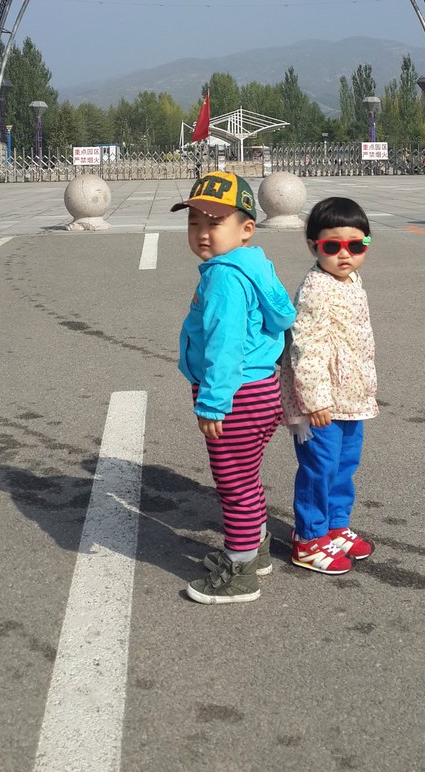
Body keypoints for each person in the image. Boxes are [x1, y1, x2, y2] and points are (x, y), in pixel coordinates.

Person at [172, 170, 296, 605]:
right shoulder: (254, 264)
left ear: (245, 229)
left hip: (235, 395)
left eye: (214, 222)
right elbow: (280, 323)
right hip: (261, 391)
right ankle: (255, 548)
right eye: (194, 223)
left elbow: (224, 347)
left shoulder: (224, 278)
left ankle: (241, 572)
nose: (202, 233)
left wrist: (212, 403)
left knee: (233, 485)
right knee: (246, 477)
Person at [280, 196, 378, 575]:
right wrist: (315, 399)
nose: (345, 255)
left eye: (355, 246)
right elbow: (307, 348)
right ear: (313, 246)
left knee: (344, 465)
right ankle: (309, 538)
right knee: (319, 468)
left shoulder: (351, 280)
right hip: (320, 403)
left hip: (351, 397)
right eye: (331, 246)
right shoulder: (316, 288)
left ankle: (335, 526)